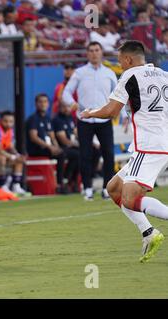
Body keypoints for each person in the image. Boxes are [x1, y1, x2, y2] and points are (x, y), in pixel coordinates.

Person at [80, 40, 168, 263]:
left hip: (148, 146)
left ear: (128, 59)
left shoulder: (130, 76)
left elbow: (110, 111)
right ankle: (149, 233)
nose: (120, 66)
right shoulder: (162, 74)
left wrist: (90, 113)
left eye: (120, 61)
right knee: (114, 188)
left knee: (129, 199)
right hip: (158, 142)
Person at [62, 42, 117, 201]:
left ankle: (107, 188)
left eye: (97, 50)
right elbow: (67, 92)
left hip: (103, 118)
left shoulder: (109, 73)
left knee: (108, 154)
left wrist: (125, 116)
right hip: (84, 119)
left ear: (101, 53)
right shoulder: (79, 73)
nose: (94, 53)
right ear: (87, 54)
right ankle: (87, 188)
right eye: (91, 50)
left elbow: (119, 94)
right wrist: (70, 102)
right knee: (85, 155)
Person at [26, 93, 66, 193]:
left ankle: (68, 180)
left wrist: (56, 146)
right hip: (36, 150)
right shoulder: (33, 119)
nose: (43, 104)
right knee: (61, 155)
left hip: (47, 148)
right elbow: (33, 137)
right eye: (40, 102)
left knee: (71, 153)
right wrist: (50, 147)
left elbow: (52, 136)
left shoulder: (48, 119)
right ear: (36, 104)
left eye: (45, 102)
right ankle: (60, 184)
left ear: (48, 104)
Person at [52, 102, 80, 192]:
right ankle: (63, 181)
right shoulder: (57, 120)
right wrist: (77, 144)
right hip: (62, 147)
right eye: (64, 107)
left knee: (85, 152)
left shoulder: (70, 118)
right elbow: (63, 139)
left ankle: (73, 180)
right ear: (59, 108)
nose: (67, 109)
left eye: (68, 106)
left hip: (70, 146)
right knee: (76, 154)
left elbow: (76, 132)